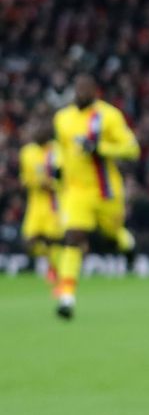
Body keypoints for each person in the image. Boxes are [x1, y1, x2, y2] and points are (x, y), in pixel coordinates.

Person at [50, 75, 141, 320]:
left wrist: (100, 149)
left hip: (106, 191)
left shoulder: (108, 116)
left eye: (86, 88)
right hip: (76, 191)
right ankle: (66, 298)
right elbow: (61, 147)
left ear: (95, 91)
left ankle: (127, 244)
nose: (81, 92)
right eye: (78, 88)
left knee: (111, 234)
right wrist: (58, 165)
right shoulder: (62, 118)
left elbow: (132, 149)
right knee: (73, 238)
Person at [17, 116, 63, 291]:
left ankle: (58, 275)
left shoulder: (57, 151)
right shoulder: (27, 152)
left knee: (53, 240)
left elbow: (64, 178)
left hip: (54, 203)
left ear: (47, 133)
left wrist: (51, 184)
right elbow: (25, 178)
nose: (35, 133)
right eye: (33, 130)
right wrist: (30, 183)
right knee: (29, 241)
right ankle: (53, 265)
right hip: (35, 204)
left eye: (39, 130)